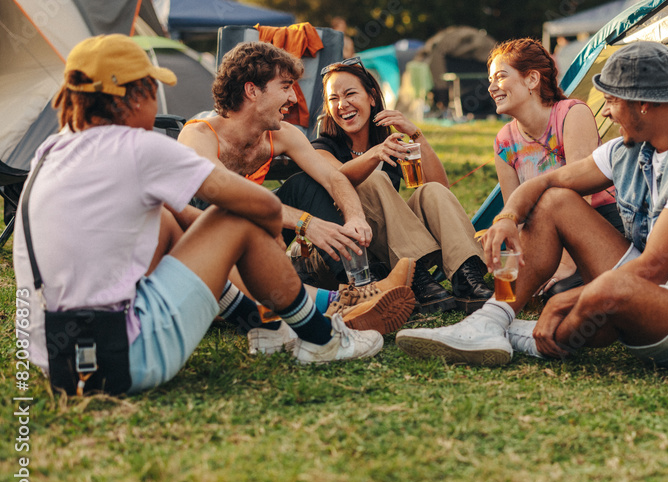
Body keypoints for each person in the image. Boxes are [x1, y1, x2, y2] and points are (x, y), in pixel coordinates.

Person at [13, 35, 382, 394]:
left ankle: (264, 325)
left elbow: (181, 218)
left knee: (165, 218)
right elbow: (264, 207)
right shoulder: (140, 148)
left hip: (59, 359)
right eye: (151, 90)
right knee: (238, 217)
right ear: (134, 94)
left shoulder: (52, 150)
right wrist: (272, 233)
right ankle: (322, 338)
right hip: (123, 359)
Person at [397, 41, 668, 377]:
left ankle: (533, 340)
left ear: (643, 104)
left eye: (612, 101)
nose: (606, 111)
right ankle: (492, 321)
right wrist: (508, 218)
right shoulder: (636, 144)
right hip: (653, 287)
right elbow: (545, 183)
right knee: (555, 199)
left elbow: (652, 269)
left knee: (610, 293)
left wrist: (574, 299)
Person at [177, 42, 415, 334]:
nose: (293, 97)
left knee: (305, 185)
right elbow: (223, 193)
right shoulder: (198, 134)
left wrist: (356, 218)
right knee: (230, 210)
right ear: (252, 91)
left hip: (249, 231)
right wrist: (305, 223)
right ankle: (338, 302)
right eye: (286, 86)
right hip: (198, 240)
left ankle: (362, 288)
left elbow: (334, 178)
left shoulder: (281, 134)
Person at [311, 57, 493, 314]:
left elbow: (442, 187)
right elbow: (337, 179)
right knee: (372, 179)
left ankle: (466, 277)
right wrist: (374, 154)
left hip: (390, 246)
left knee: (432, 192)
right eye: (333, 99)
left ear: (372, 97)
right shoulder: (322, 147)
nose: (342, 105)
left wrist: (416, 134)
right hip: (347, 257)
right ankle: (416, 278)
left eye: (350, 93)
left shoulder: (388, 144)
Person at [487, 38, 623, 297]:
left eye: (500, 77)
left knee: (558, 291)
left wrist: (565, 265)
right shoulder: (504, 141)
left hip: (599, 220)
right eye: (490, 80)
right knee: (517, 290)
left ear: (532, 79)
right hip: (548, 233)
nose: (492, 87)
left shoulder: (572, 113)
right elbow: (516, 215)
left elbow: (580, 193)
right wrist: (517, 264)